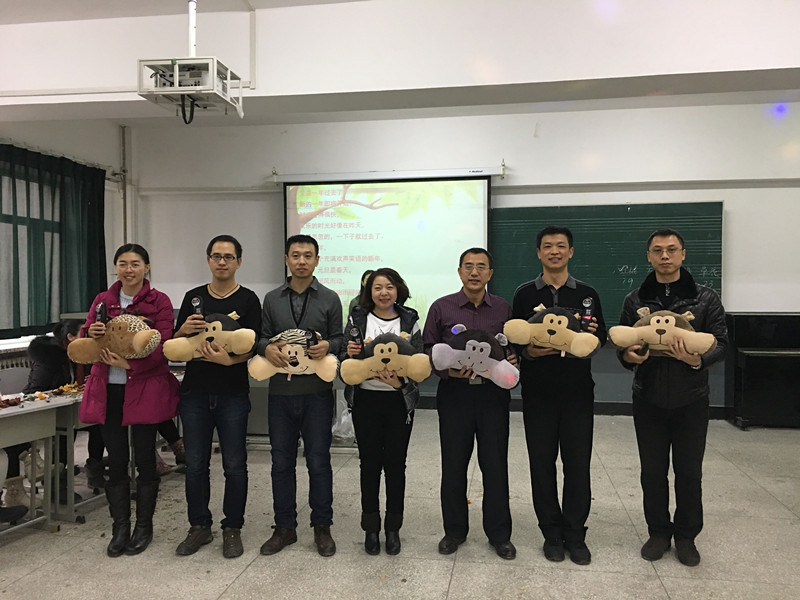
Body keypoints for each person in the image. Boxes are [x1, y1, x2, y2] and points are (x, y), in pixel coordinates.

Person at [618, 228, 727, 567]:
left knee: (689, 472)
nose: (664, 256)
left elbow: (722, 343)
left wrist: (696, 360)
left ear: (683, 254)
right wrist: (628, 358)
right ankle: (658, 532)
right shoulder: (635, 299)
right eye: (657, 250)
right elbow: (623, 343)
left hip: (691, 399)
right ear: (648, 256)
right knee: (652, 472)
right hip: (648, 398)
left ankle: (686, 536)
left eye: (671, 249)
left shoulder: (705, 298)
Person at [511, 226, 607, 565]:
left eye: (561, 246)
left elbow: (601, 337)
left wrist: (591, 338)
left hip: (577, 392)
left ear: (571, 252)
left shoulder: (588, 294)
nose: (555, 251)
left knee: (577, 465)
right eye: (548, 246)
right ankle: (551, 533)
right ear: (539, 252)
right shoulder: (524, 294)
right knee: (542, 464)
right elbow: (514, 340)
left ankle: (575, 534)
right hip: (538, 393)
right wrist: (530, 353)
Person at [79, 244, 180, 557]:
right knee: (117, 459)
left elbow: (163, 344)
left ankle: (144, 526)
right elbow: (85, 340)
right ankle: (120, 527)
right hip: (108, 389)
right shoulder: (102, 300)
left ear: (146, 267)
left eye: (135, 263)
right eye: (122, 263)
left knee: (146, 458)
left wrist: (129, 365)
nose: (128, 269)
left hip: (144, 387)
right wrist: (91, 331)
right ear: (116, 268)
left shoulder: (159, 301)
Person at [422, 247, 518, 560]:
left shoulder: (503, 308)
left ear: (490, 273)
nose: (474, 272)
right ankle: (454, 532)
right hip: (455, 395)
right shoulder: (441, 307)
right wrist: (447, 371)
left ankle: (499, 535)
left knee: (495, 466)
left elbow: (512, 349)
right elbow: (428, 349)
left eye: (481, 267)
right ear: (459, 271)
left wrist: (512, 360)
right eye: (468, 266)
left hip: (492, 397)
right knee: (453, 465)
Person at [172, 234, 261, 559]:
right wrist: (182, 330)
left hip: (232, 393)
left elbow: (254, 347)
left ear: (239, 261)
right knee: (195, 464)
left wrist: (230, 361)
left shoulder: (249, 300)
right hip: (195, 392)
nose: (222, 261)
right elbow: (176, 344)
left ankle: (232, 528)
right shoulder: (193, 297)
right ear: (208, 260)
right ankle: (199, 526)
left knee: (235, 465)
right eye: (216, 256)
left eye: (228, 256)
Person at [256, 234, 343, 557]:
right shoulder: (271, 299)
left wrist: (329, 346)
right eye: (296, 255)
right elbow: (261, 337)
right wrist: (266, 348)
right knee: (281, 463)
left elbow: (339, 338)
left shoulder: (330, 298)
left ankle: (322, 527)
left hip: (317, 394)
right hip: (280, 392)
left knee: (319, 462)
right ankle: (284, 527)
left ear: (317, 260)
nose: (302, 261)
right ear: (286, 259)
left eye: (308, 255)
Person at [341, 268, 421, 556]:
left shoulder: (410, 320)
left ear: (398, 289)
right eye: (377, 287)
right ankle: (371, 529)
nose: (383, 292)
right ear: (369, 292)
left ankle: (393, 528)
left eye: (389, 287)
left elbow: (420, 361)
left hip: (398, 401)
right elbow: (343, 359)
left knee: (396, 465)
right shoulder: (357, 319)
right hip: (366, 400)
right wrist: (349, 354)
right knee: (369, 464)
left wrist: (401, 383)